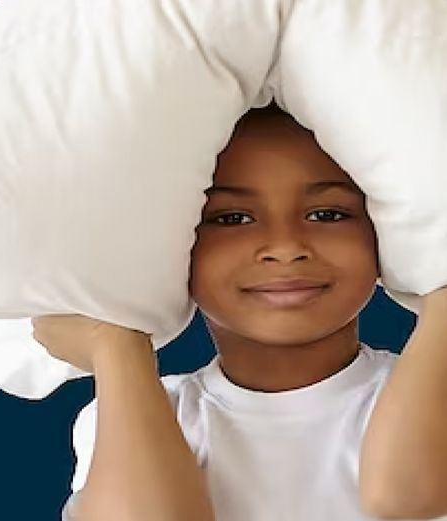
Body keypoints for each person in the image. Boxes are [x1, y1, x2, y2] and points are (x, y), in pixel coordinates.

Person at [32, 104, 447, 521]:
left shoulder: (427, 391)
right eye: (232, 218)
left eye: (327, 214)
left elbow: (408, 498)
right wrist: (117, 345)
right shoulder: (143, 409)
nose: (286, 248)